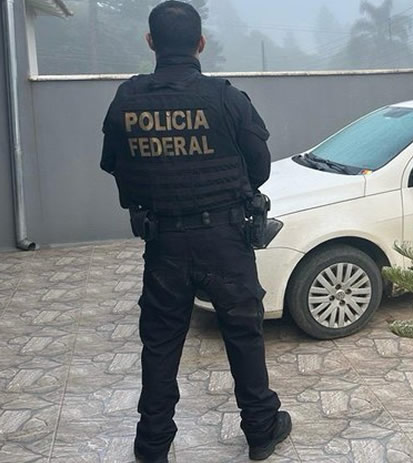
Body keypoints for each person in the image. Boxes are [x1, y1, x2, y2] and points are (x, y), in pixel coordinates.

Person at [99, 2, 291, 461]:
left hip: (164, 242)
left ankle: (152, 444)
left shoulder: (127, 100)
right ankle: (261, 430)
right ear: (200, 44)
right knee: (243, 334)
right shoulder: (226, 98)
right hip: (225, 240)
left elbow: (114, 166)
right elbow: (260, 168)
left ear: (151, 42)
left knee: (160, 343)